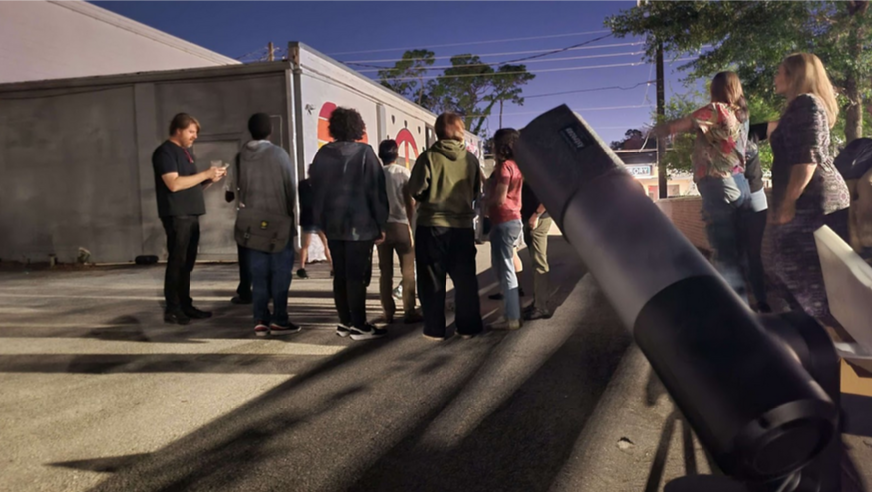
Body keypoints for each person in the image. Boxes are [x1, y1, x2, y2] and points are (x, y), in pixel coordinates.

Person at [653, 71, 751, 302]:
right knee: (736, 251)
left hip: (718, 182)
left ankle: (737, 314)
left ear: (716, 89)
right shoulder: (741, 115)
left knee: (723, 252)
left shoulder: (716, 109)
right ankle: (745, 303)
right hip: (740, 184)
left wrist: (657, 130)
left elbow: (681, 125)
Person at [768, 53, 850, 320]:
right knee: (796, 272)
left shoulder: (806, 104)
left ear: (796, 76)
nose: (775, 77)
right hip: (808, 197)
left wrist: (787, 203)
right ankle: (821, 340)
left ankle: (826, 344)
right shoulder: (801, 106)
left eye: (780, 72)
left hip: (813, 200)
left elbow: (808, 157)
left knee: (802, 274)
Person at [310, 107, 389, 341]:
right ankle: (359, 325)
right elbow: (377, 191)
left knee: (340, 275)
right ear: (357, 127)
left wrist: (321, 220)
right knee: (356, 276)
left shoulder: (322, 155)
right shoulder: (365, 153)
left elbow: (315, 190)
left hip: (333, 224)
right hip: (360, 224)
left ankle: (344, 322)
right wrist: (381, 224)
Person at [410, 112, 483, 340]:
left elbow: (416, 190)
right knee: (465, 279)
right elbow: (475, 192)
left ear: (437, 131)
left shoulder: (428, 157)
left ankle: (434, 329)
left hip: (432, 226)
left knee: (432, 278)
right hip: (461, 226)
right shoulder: (471, 160)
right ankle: (467, 327)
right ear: (460, 131)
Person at [152, 113, 226, 325]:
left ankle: (185, 304)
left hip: (190, 213)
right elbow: (173, 184)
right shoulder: (165, 153)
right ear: (179, 130)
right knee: (177, 261)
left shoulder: (185, 153)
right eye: (191, 131)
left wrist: (210, 179)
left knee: (187, 263)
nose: (194, 136)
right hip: (177, 214)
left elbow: (189, 185)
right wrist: (204, 174)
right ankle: (173, 308)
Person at [236, 113, 301, 336]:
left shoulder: (240, 157)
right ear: (270, 131)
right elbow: (290, 189)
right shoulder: (279, 154)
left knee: (259, 274)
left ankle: (260, 320)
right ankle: (280, 319)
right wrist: (291, 217)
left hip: (252, 224)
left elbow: (235, 191)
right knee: (281, 273)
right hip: (278, 222)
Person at [377, 139, 422, 324]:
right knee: (408, 271)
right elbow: (410, 203)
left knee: (385, 271)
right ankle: (409, 310)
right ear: (396, 155)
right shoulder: (403, 173)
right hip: (402, 225)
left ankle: (388, 311)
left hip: (382, 227)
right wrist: (412, 227)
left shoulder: (376, 174)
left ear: (381, 155)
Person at [486, 128, 525, 330]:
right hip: (513, 220)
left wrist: (485, 205)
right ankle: (510, 314)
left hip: (503, 221)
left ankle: (512, 317)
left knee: (506, 270)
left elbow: (500, 198)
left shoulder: (504, 167)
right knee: (502, 268)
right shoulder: (517, 166)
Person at [738, 123, 771, 313]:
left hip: (756, 195)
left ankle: (761, 301)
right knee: (737, 253)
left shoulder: (752, 131)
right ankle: (740, 301)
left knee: (753, 254)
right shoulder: (715, 135)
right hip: (733, 199)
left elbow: (782, 126)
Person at [521, 181, 553, 320]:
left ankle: (541, 307)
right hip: (531, 218)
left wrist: (536, 214)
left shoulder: (539, 168)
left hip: (538, 219)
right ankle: (538, 302)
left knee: (539, 263)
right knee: (535, 262)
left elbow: (548, 196)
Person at [225, 151, 251, 305]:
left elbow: (228, 197)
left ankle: (245, 292)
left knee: (246, 256)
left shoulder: (235, 169)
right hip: (266, 217)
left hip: (245, 217)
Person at [296, 171, 333, 279]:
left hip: (307, 217)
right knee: (326, 244)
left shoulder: (302, 185)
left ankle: (301, 268)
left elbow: (302, 201)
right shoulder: (322, 185)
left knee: (305, 245)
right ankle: (333, 267)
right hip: (320, 218)